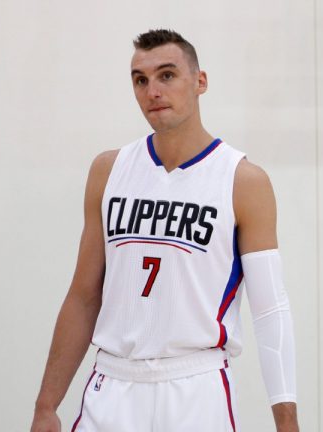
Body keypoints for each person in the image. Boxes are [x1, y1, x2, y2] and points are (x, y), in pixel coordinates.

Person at [30, 28, 298, 432]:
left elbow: (270, 310)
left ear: (200, 81)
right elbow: (84, 296)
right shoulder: (109, 170)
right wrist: (47, 404)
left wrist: (287, 422)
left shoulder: (243, 180)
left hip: (196, 387)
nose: (152, 90)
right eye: (141, 80)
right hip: (114, 384)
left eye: (167, 75)